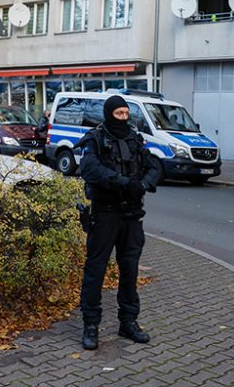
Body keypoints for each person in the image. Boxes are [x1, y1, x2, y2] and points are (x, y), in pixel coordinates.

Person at [77, 95, 161, 350]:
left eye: (127, 113)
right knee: (95, 270)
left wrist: (144, 184)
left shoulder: (135, 139)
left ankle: (128, 322)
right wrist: (121, 182)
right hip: (105, 215)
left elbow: (154, 165)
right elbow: (89, 168)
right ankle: (91, 325)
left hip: (131, 217)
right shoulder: (95, 138)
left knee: (130, 270)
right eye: (119, 114)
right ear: (109, 114)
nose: (124, 118)